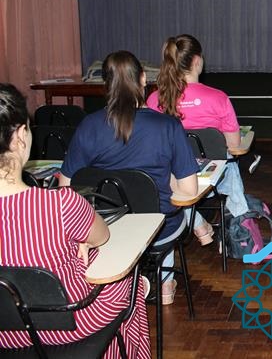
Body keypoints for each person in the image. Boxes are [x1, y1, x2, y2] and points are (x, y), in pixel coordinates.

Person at [0, 84, 150, 357]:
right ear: (20, 136)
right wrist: (83, 240)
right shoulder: (61, 203)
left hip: (4, 333)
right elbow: (102, 236)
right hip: (67, 322)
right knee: (131, 282)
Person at [60, 51, 199, 306]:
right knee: (180, 209)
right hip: (161, 231)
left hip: (107, 230)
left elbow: (66, 188)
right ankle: (164, 281)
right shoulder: (169, 126)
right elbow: (189, 191)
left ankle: (128, 284)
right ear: (144, 79)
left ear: (106, 84)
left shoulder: (88, 126)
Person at [146, 34, 250, 237]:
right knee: (231, 163)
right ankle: (239, 225)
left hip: (172, 177)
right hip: (212, 174)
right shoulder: (218, 98)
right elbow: (234, 144)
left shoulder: (153, 100)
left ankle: (197, 222)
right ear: (196, 60)